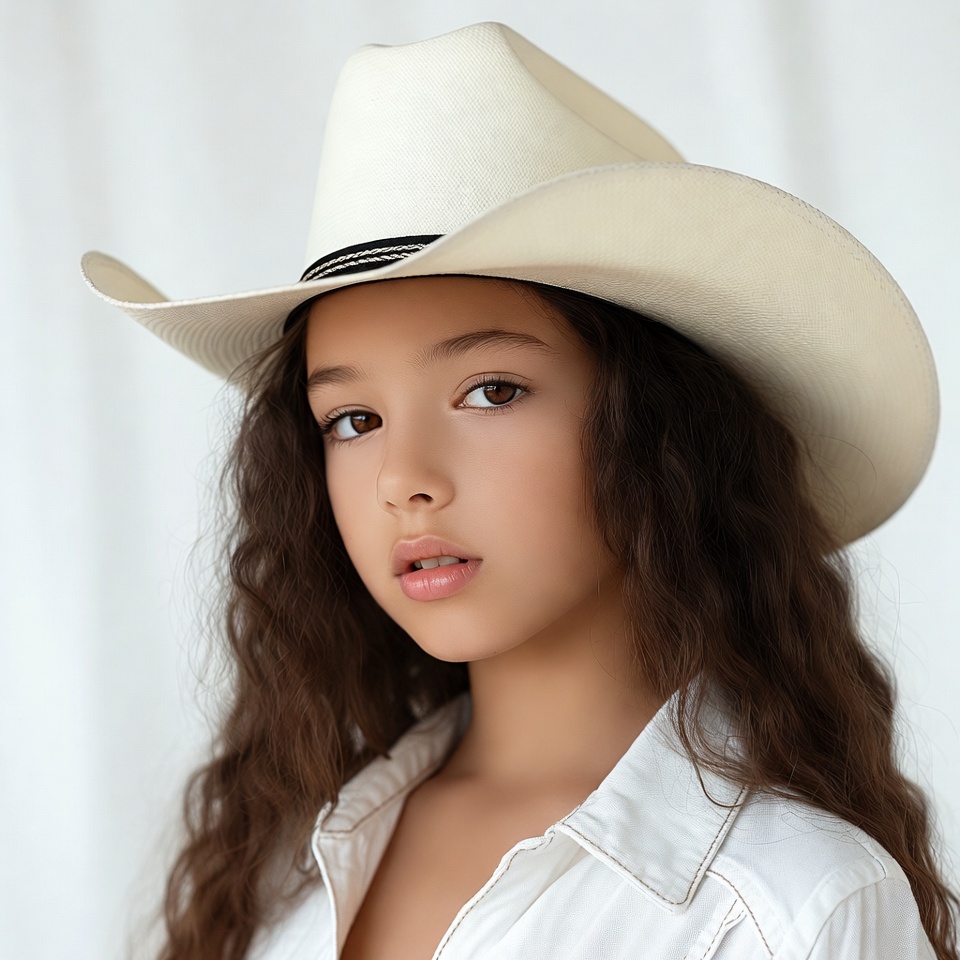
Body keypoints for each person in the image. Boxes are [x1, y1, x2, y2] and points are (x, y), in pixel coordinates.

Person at [82, 21, 956, 960]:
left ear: (659, 432)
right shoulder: (278, 863)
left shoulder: (793, 908)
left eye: (491, 391)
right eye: (352, 420)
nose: (404, 481)